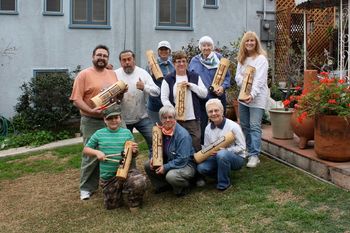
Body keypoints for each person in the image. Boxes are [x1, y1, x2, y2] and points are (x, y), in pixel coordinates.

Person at [70, 44, 121, 201]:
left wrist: (121, 94)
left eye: (105, 56)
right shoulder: (84, 75)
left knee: (119, 148)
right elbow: (76, 99)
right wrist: (91, 111)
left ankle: (119, 180)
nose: (102, 58)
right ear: (93, 57)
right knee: (91, 153)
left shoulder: (112, 74)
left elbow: (117, 98)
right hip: (91, 119)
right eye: (99, 55)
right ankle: (86, 188)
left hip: (112, 119)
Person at [83, 103, 146, 211]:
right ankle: (119, 192)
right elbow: (86, 149)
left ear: (120, 118)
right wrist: (97, 152)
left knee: (139, 180)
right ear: (105, 120)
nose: (113, 120)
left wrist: (135, 151)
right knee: (112, 206)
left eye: (116, 117)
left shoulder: (127, 133)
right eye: (110, 118)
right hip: (109, 177)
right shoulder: (99, 134)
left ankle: (133, 202)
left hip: (126, 172)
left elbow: (134, 154)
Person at [144, 105, 196, 197]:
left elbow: (183, 159)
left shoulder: (182, 135)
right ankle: (163, 185)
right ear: (160, 119)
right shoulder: (159, 131)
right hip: (170, 161)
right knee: (148, 165)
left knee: (171, 176)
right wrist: (152, 157)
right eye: (164, 118)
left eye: (170, 117)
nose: (167, 120)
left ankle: (184, 186)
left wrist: (166, 167)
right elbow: (153, 148)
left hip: (186, 164)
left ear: (174, 118)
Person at [161, 50, 208, 152]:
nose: (181, 64)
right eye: (178, 61)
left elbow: (204, 93)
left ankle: (195, 164)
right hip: (176, 119)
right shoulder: (168, 79)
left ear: (187, 62)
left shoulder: (194, 76)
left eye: (183, 61)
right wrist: (173, 111)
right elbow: (164, 98)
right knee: (178, 143)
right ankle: (180, 163)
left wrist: (191, 85)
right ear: (174, 63)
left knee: (195, 142)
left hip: (192, 118)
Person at [235, 31, 269, 168]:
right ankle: (248, 150)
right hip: (243, 96)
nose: (249, 43)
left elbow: (259, 81)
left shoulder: (261, 59)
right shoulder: (242, 59)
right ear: (244, 43)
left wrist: (252, 94)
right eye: (247, 41)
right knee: (245, 125)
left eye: (252, 41)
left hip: (257, 97)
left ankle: (255, 155)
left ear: (256, 43)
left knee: (254, 126)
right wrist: (244, 82)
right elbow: (237, 77)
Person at [115, 50, 160, 153]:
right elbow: (110, 97)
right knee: (127, 148)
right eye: (124, 60)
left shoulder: (142, 73)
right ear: (120, 62)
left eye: (129, 59)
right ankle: (131, 168)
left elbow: (157, 91)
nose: (127, 62)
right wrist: (119, 93)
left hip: (142, 117)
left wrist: (144, 87)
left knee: (155, 142)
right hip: (122, 119)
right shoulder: (115, 74)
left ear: (134, 60)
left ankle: (154, 165)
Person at [196, 99, 246, 191]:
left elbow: (242, 147)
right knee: (201, 168)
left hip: (237, 157)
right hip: (216, 156)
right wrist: (207, 152)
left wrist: (226, 150)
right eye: (210, 111)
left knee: (222, 154)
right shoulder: (207, 129)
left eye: (216, 110)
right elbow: (207, 146)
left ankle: (224, 184)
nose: (214, 113)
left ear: (222, 111)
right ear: (208, 114)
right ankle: (221, 175)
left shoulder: (233, 126)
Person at [189, 36, 231, 143]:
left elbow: (227, 77)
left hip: (217, 97)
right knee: (202, 124)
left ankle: (221, 145)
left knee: (219, 123)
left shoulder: (220, 59)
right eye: (203, 45)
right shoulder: (195, 60)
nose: (206, 48)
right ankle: (204, 147)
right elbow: (190, 76)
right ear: (200, 47)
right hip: (201, 98)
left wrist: (223, 87)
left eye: (208, 45)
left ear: (212, 47)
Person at [146, 40, 175, 125]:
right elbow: (147, 82)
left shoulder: (173, 64)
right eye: (161, 49)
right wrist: (151, 73)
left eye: (166, 49)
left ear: (169, 51)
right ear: (158, 51)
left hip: (170, 102)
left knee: (169, 126)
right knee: (157, 128)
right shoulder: (151, 65)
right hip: (156, 103)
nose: (163, 51)